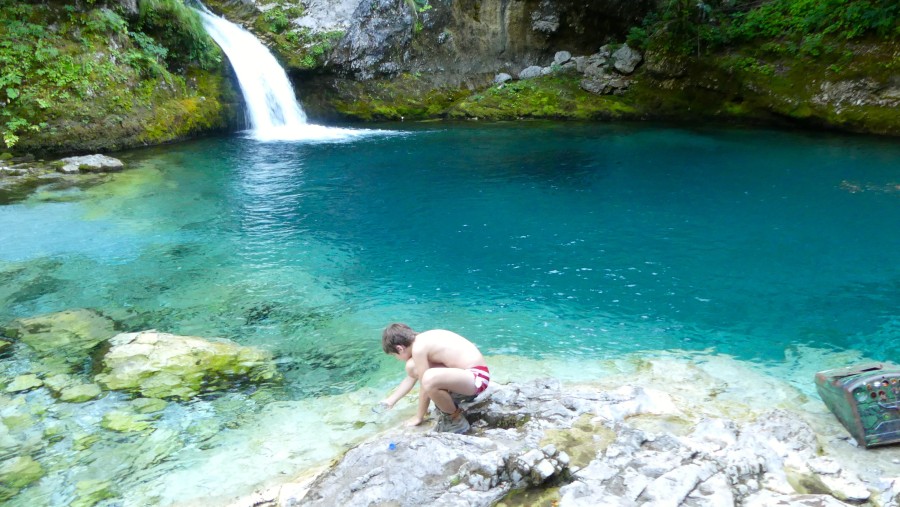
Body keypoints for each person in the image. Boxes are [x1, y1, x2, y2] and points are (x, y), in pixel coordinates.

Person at [379, 323, 490, 434]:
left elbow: (425, 386)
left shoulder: (418, 349)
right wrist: (391, 400)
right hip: (470, 377)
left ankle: (455, 419)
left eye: (395, 355)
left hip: (477, 379)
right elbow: (411, 377)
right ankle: (457, 397)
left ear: (400, 348)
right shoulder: (421, 340)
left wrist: (419, 416)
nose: (397, 358)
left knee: (428, 379)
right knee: (412, 367)